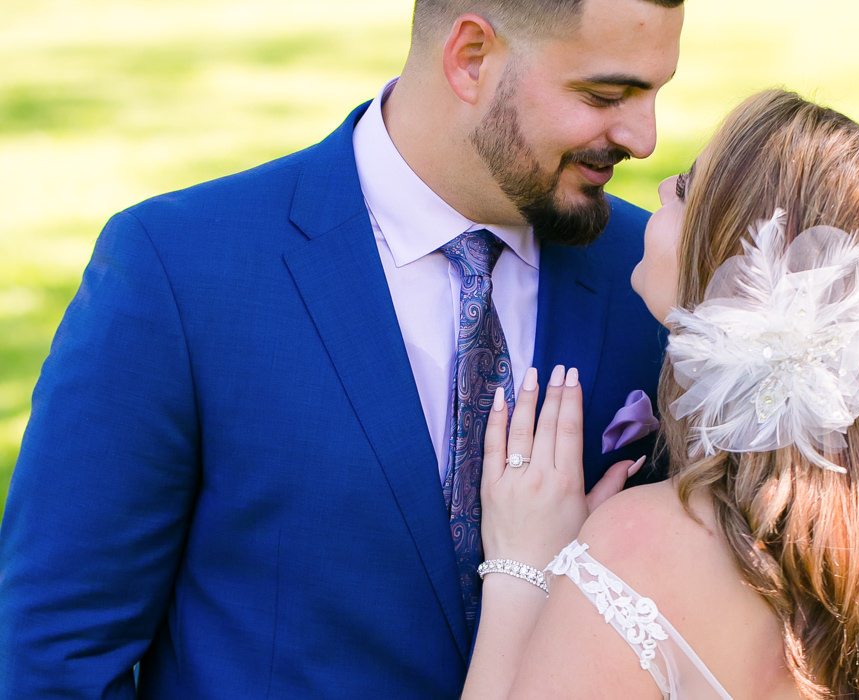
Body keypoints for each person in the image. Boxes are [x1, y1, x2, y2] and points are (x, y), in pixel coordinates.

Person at [0, 0, 686, 697]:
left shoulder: (656, 279)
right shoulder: (179, 269)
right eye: (606, 94)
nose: (644, 137)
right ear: (472, 57)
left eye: (657, 91)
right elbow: (57, 650)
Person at [462, 89, 859, 699]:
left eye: (688, 190)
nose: (662, 186)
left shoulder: (637, 552)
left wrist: (521, 566)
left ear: (747, 270)